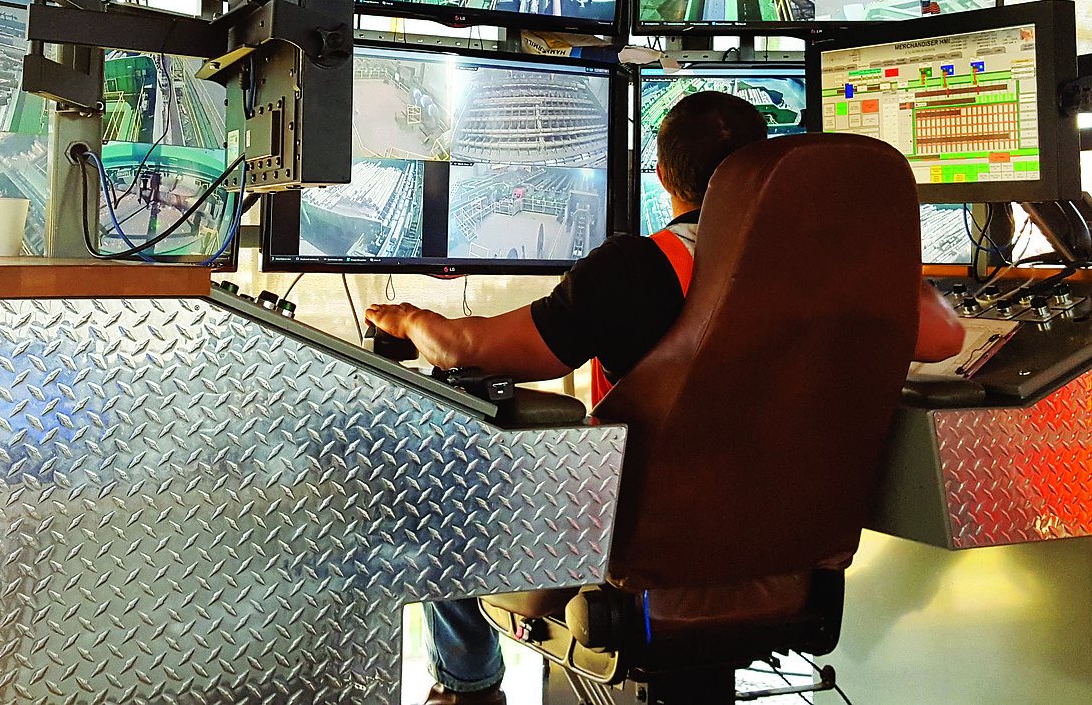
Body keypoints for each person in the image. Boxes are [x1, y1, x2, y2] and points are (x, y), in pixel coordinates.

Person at [366, 92, 964, 705]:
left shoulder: (636, 269)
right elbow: (947, 336)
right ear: (763, 170)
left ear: (662, 176)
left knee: (443, 481)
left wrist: (407, 317)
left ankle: (471, 690)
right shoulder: (836, 267)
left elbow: (467, 348)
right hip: (791, 561)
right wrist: (875, 257)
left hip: (629, 554)